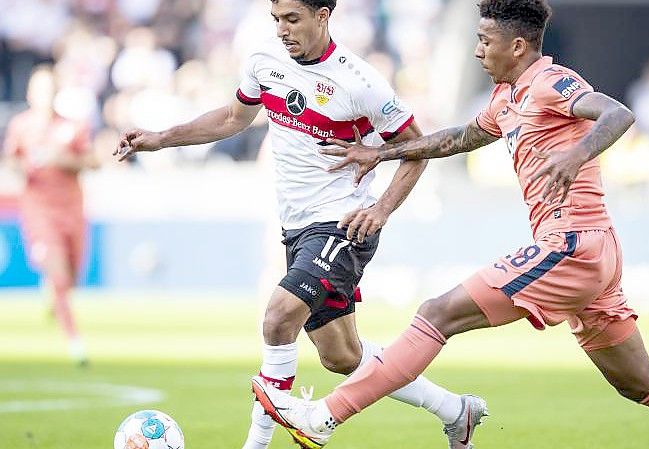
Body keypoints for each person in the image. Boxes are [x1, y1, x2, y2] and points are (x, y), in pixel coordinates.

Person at [251, 2, 649, 449]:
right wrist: (383, 152)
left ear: (517, 45)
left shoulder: (550, 81)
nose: (477, 49)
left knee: (437, 313)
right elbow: (460, 138)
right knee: (640, 382)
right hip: (593, 253)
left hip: (571, 245)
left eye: (485, 40)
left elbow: (617, 113)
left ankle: (325, 416)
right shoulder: (507, 97)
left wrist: (577, 153)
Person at [114, 1, 482, 449]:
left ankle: (257, 445)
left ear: (324, 16)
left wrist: (381, 209)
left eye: (293, 19)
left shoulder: (359, 81)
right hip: (296, 227)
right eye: (277, 19)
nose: (283, 30)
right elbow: (233, 117)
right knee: (342, 357)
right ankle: (456, 410)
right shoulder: (264, 61)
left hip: (343, 223)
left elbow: (416, 147)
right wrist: (162, 138)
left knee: (277, 318)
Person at [2, 65, 98, 366]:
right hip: (38, 210)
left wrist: (64, 160)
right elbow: (12, 160)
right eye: (39, 89)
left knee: (71, 278)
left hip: (71, 209)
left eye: (49, 89)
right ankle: (75, 343)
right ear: (31, 93)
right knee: (57, 275)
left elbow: (93, 160)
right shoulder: (21, 126)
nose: (44, 95)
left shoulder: (73, 126)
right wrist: (24, 167)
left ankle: (52, 296)